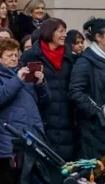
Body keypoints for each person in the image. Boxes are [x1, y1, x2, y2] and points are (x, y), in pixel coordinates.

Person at [0, 37, 49, 184]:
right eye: (9, 55)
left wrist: (40, 84)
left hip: (30, 136)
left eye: (16, 55)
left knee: (26, 182)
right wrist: (18, 80)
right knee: (6, 182)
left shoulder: (24, 75)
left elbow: (44, 102)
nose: (14, 58)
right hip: (7, 139)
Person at [20, 18, 76, 163]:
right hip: (41, 115)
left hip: (66, 116)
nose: (65, 35)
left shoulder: (70, 57)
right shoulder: (31, 55)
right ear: (50, 32)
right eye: (61, 31)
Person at [69, 18, 105, 160]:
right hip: (94, 131)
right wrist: (98, 111)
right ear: (98, 37)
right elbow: (75, 92)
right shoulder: (85, 61)